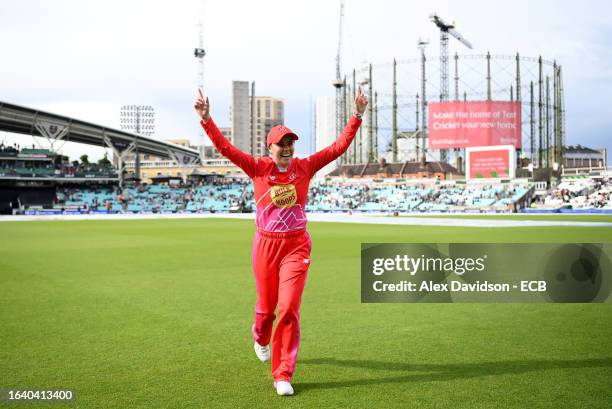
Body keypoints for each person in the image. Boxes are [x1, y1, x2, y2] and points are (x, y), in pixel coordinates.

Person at [194, 87, 367, 396]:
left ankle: (283, 373)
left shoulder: (305, 167)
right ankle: (260, 336)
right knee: (267, 309)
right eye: (281, 144)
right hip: (266, 245)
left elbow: (338, 147)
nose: (287, 149)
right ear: (269, 147)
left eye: (290, 143)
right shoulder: (258, 168)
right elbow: (226, 149)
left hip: (296, 245)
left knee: (288, 307)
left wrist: (356, 116)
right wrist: (206, 119)